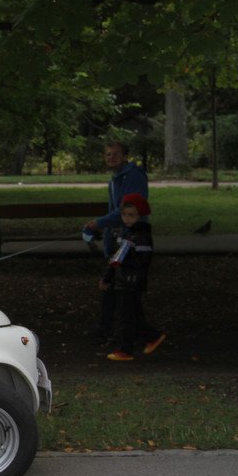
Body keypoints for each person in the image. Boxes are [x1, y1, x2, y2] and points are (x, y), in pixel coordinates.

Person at [84, 141, 148, 340]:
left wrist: (98, 223)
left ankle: (134, 333)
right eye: (108, 154)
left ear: (125, 156)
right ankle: (115, 329)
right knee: (115, 286)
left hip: (131, 240)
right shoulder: (116, 178)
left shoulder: (133, 177)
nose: (111, 157)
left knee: (123, 288)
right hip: (119, 238)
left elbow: (126, 211)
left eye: (115, 154)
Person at [101, 193, 166, 361]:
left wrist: (125, 261)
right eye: (124, 215)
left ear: (139, 216)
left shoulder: (140, 236)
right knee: (133, 314)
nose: (127, 219)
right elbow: (115, 259)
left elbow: (143, 261)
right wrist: (108, 277)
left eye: (131, 215)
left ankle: (126, 349)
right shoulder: (126, 234)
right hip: (123, 280)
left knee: (126, 316)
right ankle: (152, 336)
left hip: (131, 282)